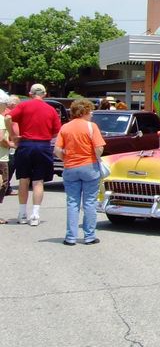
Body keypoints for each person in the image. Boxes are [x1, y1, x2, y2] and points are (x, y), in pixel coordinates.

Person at [5, 83, 61, 226]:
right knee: (38, 181)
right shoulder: (51, 110)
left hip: (25, 144)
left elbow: (7, 118)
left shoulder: (23, 106)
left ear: (30, 94)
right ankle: (35, 214)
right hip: (43, 146)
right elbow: (56, 131)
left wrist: (12, 136)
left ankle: (22, 213)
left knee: (23, 179)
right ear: (45, 94)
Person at [54, 99, 106, 245]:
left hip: (70, 167)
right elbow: (99, 148)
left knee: (72, 202)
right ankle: (89, 236)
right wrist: (96, 158)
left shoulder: (65, 128)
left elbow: (57, 150)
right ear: (84, 112)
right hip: (89, 166)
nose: (91, 114)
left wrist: (67, 158)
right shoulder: (91, 127)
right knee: (89, 202)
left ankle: (70, 237)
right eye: (90, 111)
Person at [5, 95, 19, 196]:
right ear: (13, 105)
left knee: (11, 166)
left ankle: (7, 187)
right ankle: (6, 188)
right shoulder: (7, 114)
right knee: (9, 166)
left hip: (12, 144)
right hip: (9, 145)